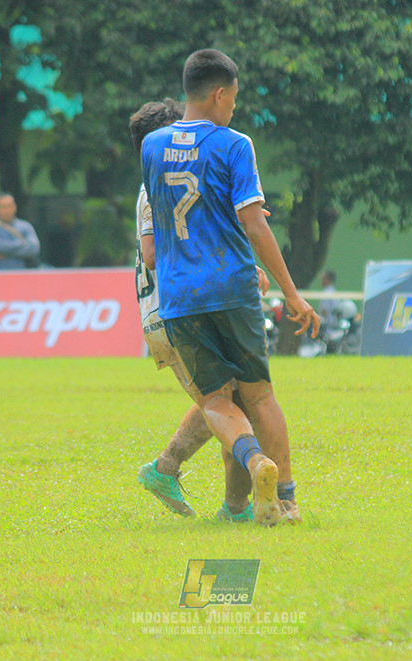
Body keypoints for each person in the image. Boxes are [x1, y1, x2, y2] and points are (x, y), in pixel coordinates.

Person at [141, 49, 320, 526]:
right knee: (259, 396)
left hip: (179, 297)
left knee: (216, 400)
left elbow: (158, 227)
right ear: (220, 94)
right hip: (233, 287)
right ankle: (286, 498)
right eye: (234, 99)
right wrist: (291, 292)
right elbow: (254, 225)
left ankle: (253, 461)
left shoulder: (152, 146)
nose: (235, 109)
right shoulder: (234, 145)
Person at [131, 98, 262, 523]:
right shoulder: (153, 189)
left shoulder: (171, 179)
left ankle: (232, 507)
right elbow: (152, 254)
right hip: (171, 309)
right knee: (223, 403)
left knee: (230, 400)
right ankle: (167, 473)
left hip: (191, 302)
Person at [0, 193, 40, 270]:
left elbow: (34, 249)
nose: (7, 210)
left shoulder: (26, 226)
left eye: (9, 206)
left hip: (23, 273)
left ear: (15, 207)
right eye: (3, 207)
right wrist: (23, 244)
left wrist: (5, 255)